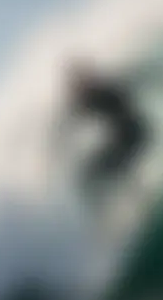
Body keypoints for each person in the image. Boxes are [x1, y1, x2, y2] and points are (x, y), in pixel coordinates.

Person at [54, 59, 152, 200]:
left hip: (133, 133)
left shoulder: (102, 89)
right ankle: (137, 194)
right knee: (93, 171)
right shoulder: (91, 96)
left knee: (107, 168)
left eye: (77, 81)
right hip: (127, 135)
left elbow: (134, 82)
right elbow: (72, 118)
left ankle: (140, 194)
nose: (75, 87)